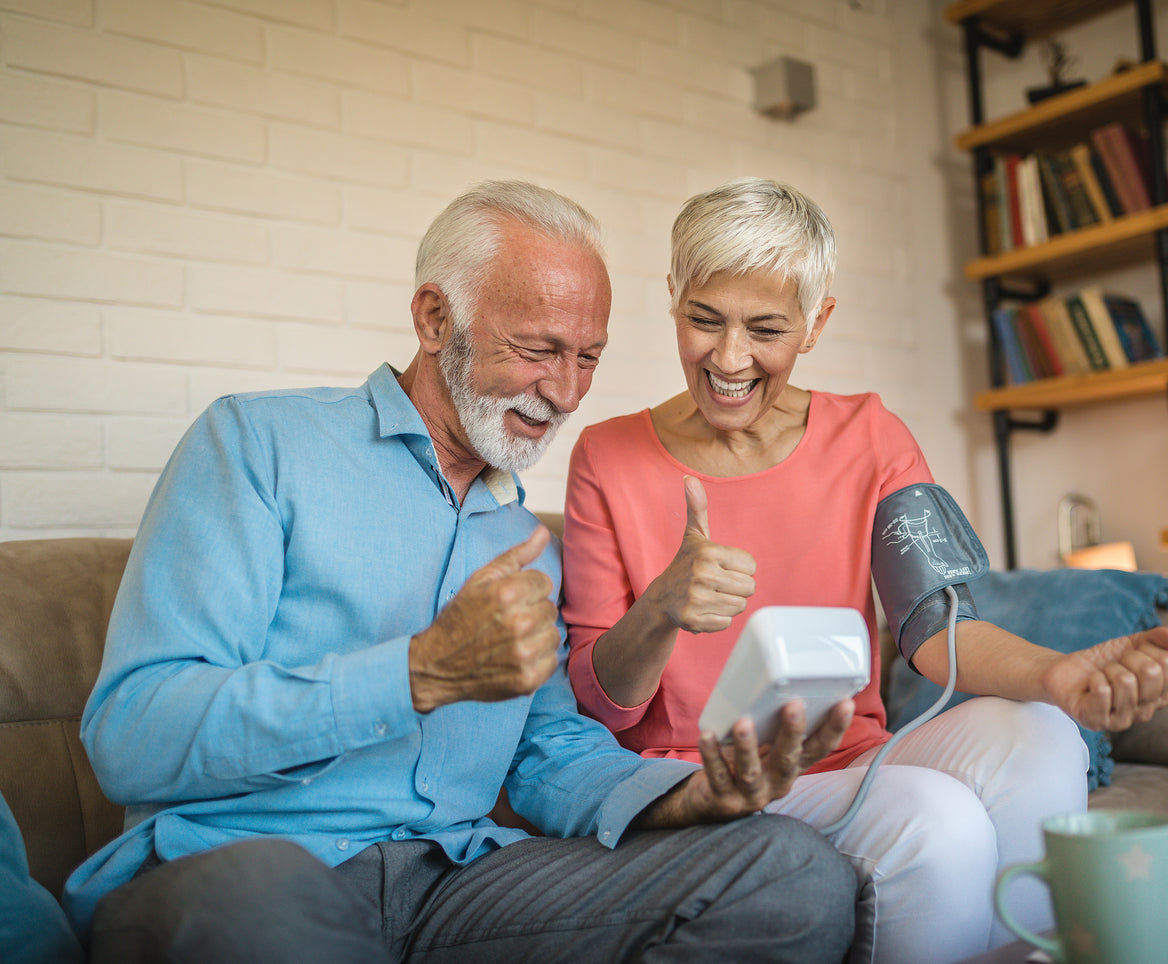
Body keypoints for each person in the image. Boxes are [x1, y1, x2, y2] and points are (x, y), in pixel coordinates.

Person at [66, 180, 859, 964]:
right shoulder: (258, 445)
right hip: (247, 871)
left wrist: (691, 798)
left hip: (454, 887)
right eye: (538, 349)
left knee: (788, 874)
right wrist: (416, 674)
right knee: (266, 907)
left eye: (587, 358)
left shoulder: (521, 544)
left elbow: (548, 751)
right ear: (435, 318)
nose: (566, 391)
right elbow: (132, 735)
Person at [560, 177, 1168, 962]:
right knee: (936, 820)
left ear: (816, 322)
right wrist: (659, 608)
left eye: (766, 329)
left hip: (845, 756)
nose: (728, 358)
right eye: (703, 319)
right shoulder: (607, 457)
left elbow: (933, 628)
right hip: (699, 780)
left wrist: (1059, 676)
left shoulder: (868, 435)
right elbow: (597, 706)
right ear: (673, 296)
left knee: (1041, 733)